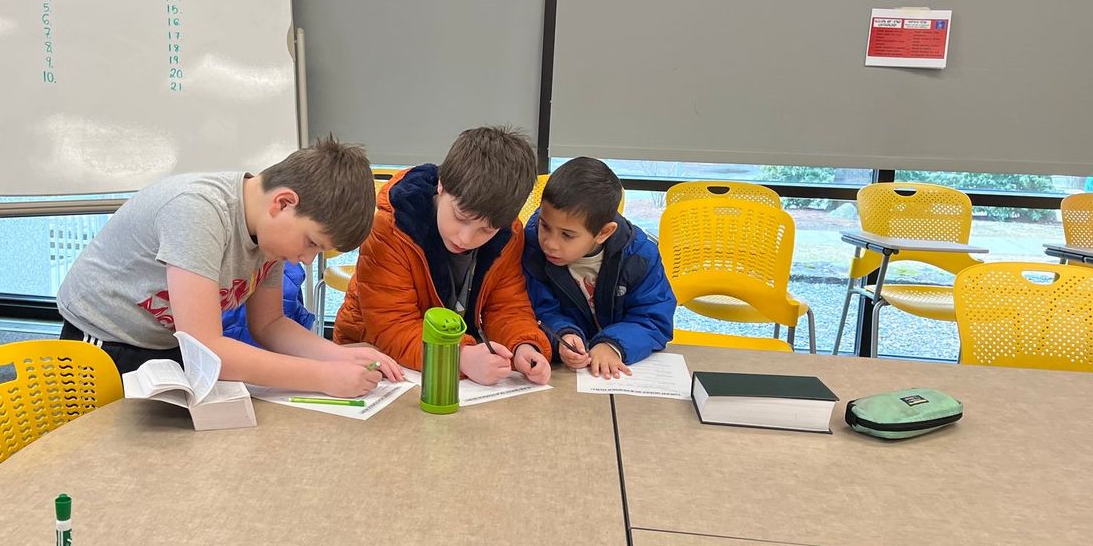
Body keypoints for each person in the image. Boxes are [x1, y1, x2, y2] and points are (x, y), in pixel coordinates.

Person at [57, 136, 401, 396]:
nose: (307, 259)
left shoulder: (270, 236)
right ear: (283, 203)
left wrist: (335, 357)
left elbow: (269, 324)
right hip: (102, 343)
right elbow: (208, 349)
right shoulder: (198, 211)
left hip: (168, 344)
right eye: (311, 242)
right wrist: (323, 377)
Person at [333, 126, 550, 386]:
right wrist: (459, 357)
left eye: (486, 230)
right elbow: (391, 326)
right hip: (373, 355)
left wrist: (523, 344)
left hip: (447, 360)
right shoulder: (391, 227)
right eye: (460, 217)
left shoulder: (507, 235)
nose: (465, 238)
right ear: (441, 185)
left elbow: (506, 306)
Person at [522, 157, 675, 378]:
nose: (549, 243)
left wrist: (612, 345)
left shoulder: (639, 256)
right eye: (545, 226)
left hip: (616, 374)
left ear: (604, 232)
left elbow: (653, 318)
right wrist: (563, 335)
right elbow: (538, 309)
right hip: (565, 374)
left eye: (567, 235)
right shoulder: (533, 248)